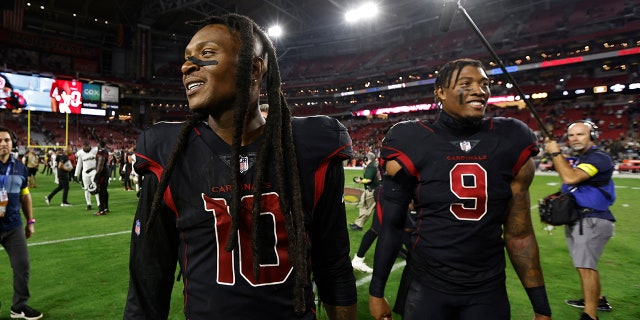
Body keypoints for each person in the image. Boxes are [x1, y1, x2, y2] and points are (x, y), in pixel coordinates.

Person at [124, 14, 357, 320]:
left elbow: (334, 265)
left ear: (254, 68)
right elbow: (148, 280)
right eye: (186, 58)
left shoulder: (310, 146)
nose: (185, 67)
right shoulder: (169, 152)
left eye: (206, 54)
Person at [368, 58, 552, 320]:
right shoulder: (410, 139)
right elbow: (393, 225)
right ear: (440, 92)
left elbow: (519, 233)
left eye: (485, 84)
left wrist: (541, 307)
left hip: (487, 290)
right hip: (428, 285)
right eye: (466, 83)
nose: (480, 90)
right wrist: (377, 292)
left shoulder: (511, 137)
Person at [544, 120, 615, 320]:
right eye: (572, 135)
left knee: (586, 268)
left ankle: (590, 315)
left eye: (580, 134)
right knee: (585, 266)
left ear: (592, 135)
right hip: (582, 219)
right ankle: (597, 299)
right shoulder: (583, 158)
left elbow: (571, 178)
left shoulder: (599, 158)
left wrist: (555, 153)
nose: (575, 138)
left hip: (591, 220)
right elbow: (570, 187)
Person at [0, 126, 43, 320]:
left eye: (7, 140)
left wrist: (30, 221)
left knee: (22, 266)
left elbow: (26, 196)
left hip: (13, 226)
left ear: (12, 143)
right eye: (0, 141)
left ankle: (19, 306)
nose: (3, 144)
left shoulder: (20, 167)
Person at [349, 152, 380, 231]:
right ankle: (358, 224)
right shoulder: (372, 166)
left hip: (371, 191)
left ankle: (358, 225)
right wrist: (362, 180)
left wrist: (360, 181)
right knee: (363, 206)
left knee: (367, 209)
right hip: (370, 190)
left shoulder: (371, 167)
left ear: (367, 158)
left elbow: (369, 180)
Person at [75, 141, 99, 211]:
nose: (85, 148)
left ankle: (99, 204)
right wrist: (76, 174)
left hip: (93, 171)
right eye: (84, 146)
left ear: (89, 146)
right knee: (86, 189)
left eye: (87, 146)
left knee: (96, 187)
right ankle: (89, 204)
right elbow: (79, 164)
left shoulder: (95, 150)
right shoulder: (80, 153)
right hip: (85, 173)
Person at [93, 140, 110, 216]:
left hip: (102, 173)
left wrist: (96, 175)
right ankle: (106, 208)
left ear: (99, 144)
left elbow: (100, 164)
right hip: (106, 172)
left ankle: (101, 210)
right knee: (105, 190)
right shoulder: (106, 151)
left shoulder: (100, 152)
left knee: (100, 191)